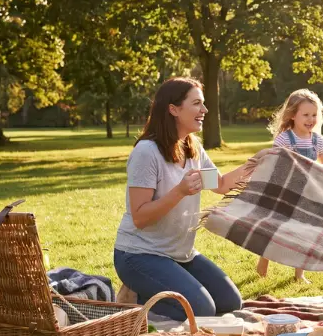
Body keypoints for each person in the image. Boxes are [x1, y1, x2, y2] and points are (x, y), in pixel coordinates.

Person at [113, 77, 265, 320]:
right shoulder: (147, 152)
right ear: (173, 109)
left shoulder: (191, 147)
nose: (204, 110)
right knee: (201, 310)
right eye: (196, 103)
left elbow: (222, 184)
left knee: (230, 302)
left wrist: (258, 163)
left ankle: (151, 290)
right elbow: (140, 217)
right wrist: (180, 192)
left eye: (203, 104)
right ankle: (135, 299)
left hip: (180, 254)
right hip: (138, 255)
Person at [255, 88, 323, 283]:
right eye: (306, 114)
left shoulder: (317, 140)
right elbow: (278, 166)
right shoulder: (285, 139)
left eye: (314, 115)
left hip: (309, 193)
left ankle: (299, 274)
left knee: (305, 232)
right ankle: (263, 263)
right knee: (275, 229)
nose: (311, 119)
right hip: (286, 192)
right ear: (292, 115)